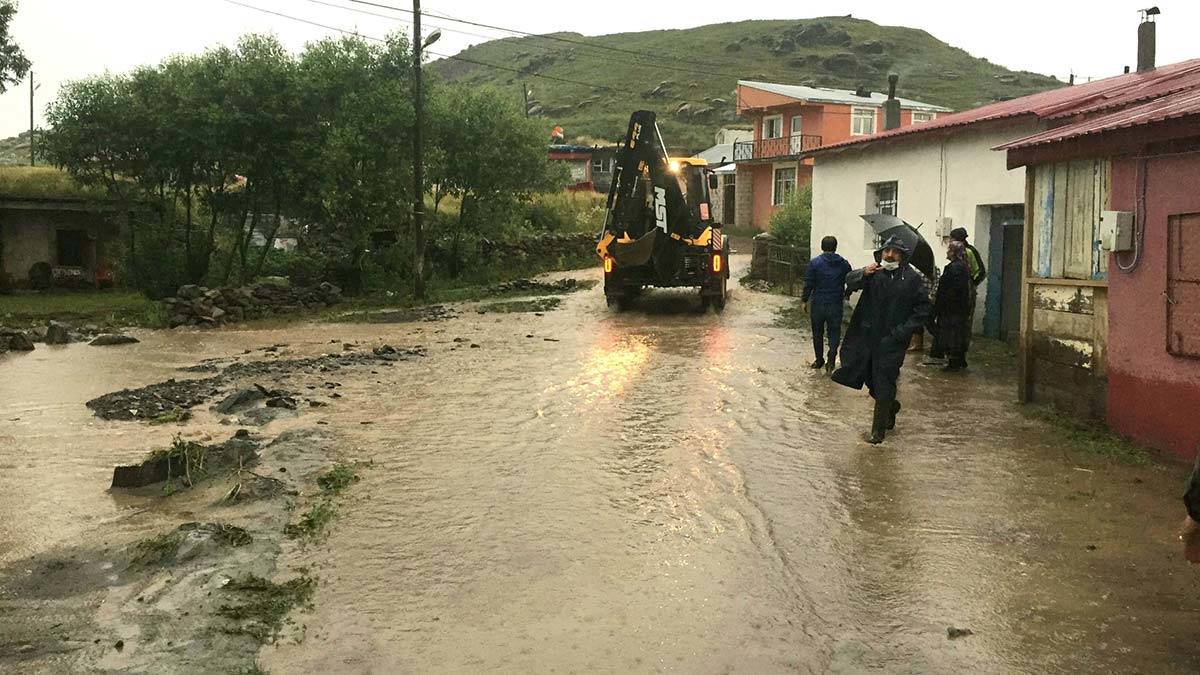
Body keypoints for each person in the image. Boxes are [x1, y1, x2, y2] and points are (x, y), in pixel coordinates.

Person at [832, 235, 932, 444]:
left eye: (895, 252)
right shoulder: (873, 273)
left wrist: (902, 332)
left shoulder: (912, 279)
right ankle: (890, 406)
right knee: (869, 379)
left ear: (902, 256)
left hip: (892, 341)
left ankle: (877, 433)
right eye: (887, 250)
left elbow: (923, 310)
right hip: (867, 337)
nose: (889, 254)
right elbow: (849, 280)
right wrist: (863, 273)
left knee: (884, 380)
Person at [802, 235, 851, 374]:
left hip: (818, 303)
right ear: (835, 247)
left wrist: (804, 300)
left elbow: (808, 283)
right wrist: (847, 293)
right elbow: (852, 279)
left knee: (817, 332)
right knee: (834, 331)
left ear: (822, 247)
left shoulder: (815, 263)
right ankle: (832, 353)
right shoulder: (844, 264)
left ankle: (819, 360)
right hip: (835, 303)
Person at [931, 240, 972, 372]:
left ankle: (954, 362)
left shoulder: (953, 268)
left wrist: (938, 306)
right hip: (960, 308)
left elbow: (947, 290)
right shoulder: (964, 266)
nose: (947, 252)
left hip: (950, 309)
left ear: (954, 252)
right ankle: (959, 360)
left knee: (951, 335)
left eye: (949, 250)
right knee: (958, 333)